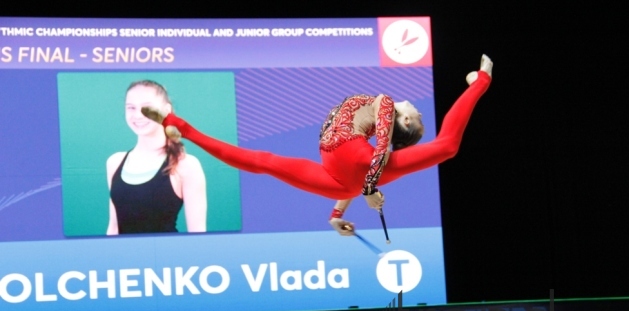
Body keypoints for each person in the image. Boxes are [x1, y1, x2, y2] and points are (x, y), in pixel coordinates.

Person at [143, 55, 492, 235]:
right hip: (342, 172)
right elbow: (361, 168)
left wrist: (369, 186)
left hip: (350, 164)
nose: (416, 109)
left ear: (404, 121)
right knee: (263, 161)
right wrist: (338, 212)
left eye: (414, 116)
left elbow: (378, 147)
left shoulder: (385, 104)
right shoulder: (373, 140)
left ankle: (480, 81)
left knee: (447, 145)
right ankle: (181, 127)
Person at [106, 80, 207, 234]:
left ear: (166, 110)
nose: (138, 115)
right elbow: (113, 228)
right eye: (131, 108)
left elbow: (198, 235)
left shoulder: (186, 165)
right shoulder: (115, 162)